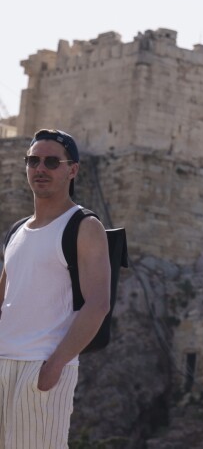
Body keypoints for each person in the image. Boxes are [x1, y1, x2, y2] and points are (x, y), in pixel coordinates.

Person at [0, 129, 111, 447]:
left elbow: (98, 303)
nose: (40, 169)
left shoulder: (84, 226)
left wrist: (56, 364)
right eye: (33, 160)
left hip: (42, 368)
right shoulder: (17, 230)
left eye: (51, 161)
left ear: (72, 169)